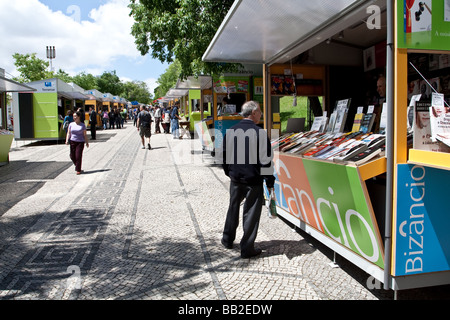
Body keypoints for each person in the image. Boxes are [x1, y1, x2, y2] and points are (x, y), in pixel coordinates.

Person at [220, 100, 275, 259]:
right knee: (251, 213)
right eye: (260, 112)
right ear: (253, 113)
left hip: (236, 178)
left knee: (233, 207)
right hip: (253, 180)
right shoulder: (260, 133)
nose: (261, 115)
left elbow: (223, 156)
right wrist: (270, 182)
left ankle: (227, 239)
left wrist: (229, 173)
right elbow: (266, 160)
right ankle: (247, 248)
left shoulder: (231, 131)